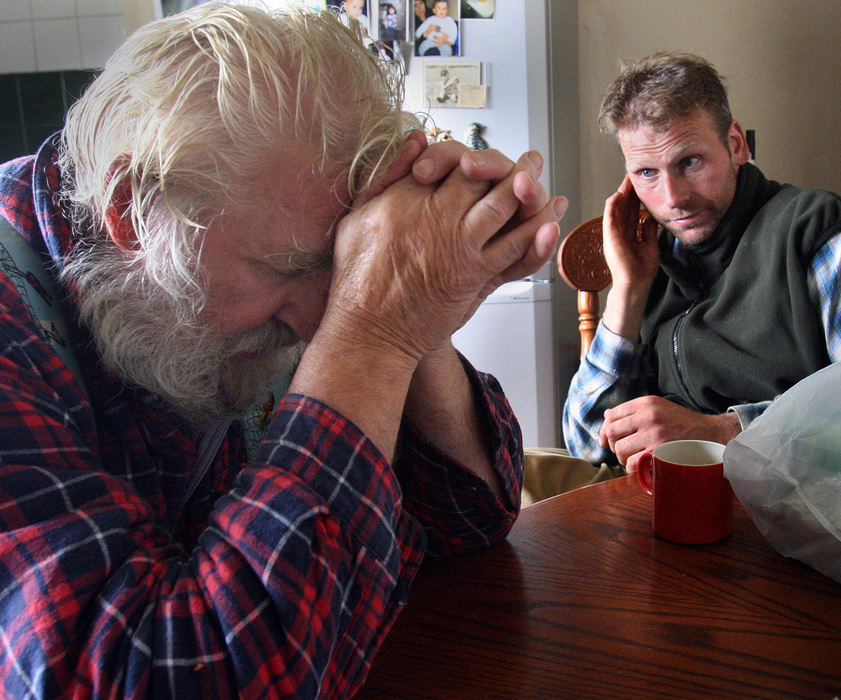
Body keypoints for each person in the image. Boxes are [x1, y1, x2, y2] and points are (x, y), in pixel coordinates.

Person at [0, 3, 568, 698]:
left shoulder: (265, 236)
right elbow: (148, 675)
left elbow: (464, 521)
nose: (316, 321)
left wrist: (413, 292)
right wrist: (372, 333)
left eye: (340, 264)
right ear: (131, 212)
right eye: (288, 267)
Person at [563, 51, 841, 474]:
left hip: (791, 510)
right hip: (663, 506)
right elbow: (586, 445)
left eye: (689, 162)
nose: (672, 198)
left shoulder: (813, 229)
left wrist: (722, 431)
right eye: (646, 173)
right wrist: (628, 290)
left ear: (735, 145)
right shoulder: (651, 260)